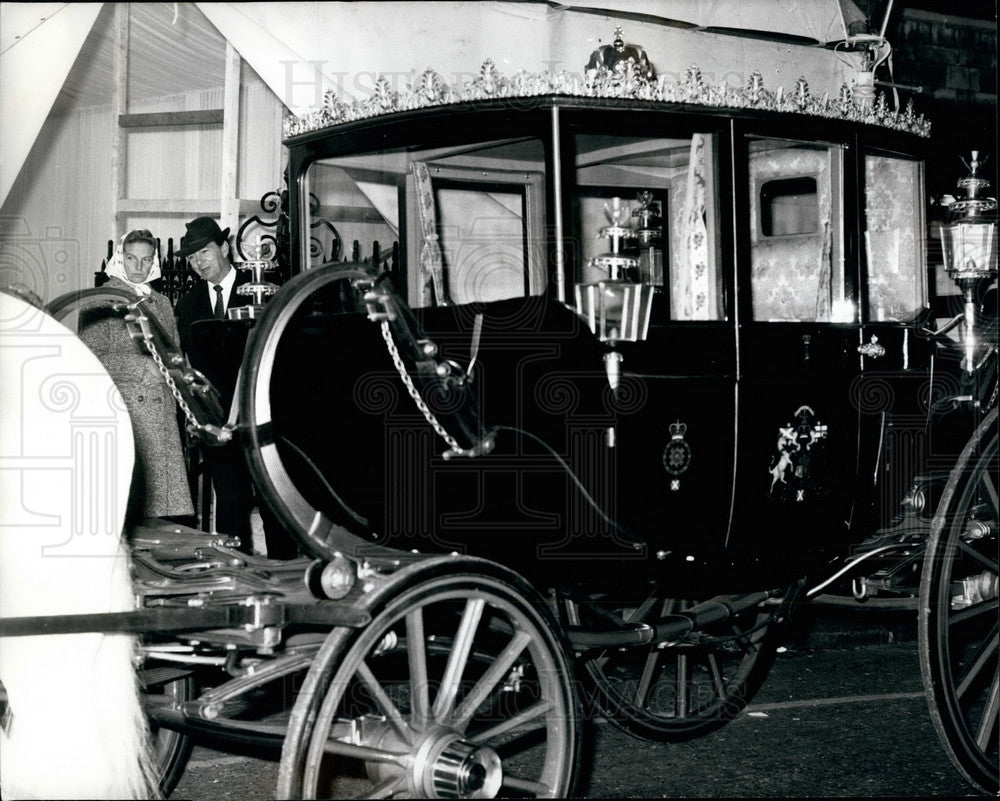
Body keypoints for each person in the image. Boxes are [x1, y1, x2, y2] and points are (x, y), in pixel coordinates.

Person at [174, 216, 296, 559]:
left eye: (204, 251)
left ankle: (282, 572)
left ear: (224, 247)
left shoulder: (262, 289)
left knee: (274, 502)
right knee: (229, 504)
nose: (198, 262)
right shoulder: (187, 305)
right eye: (192, 257)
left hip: (262, 415)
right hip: (219, 423)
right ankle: (236, 575)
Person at [79, 229, 195, 523]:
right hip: (127, 412)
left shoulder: (163, 303)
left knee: (166, 517)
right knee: (129, 511)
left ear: (154, 262)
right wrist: (140, 367)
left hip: (164, 417)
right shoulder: (100, 301)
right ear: (120, 259)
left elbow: (176, 353)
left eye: (146, 260)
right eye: (132, 259)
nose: (139, 267)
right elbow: (89, 360)